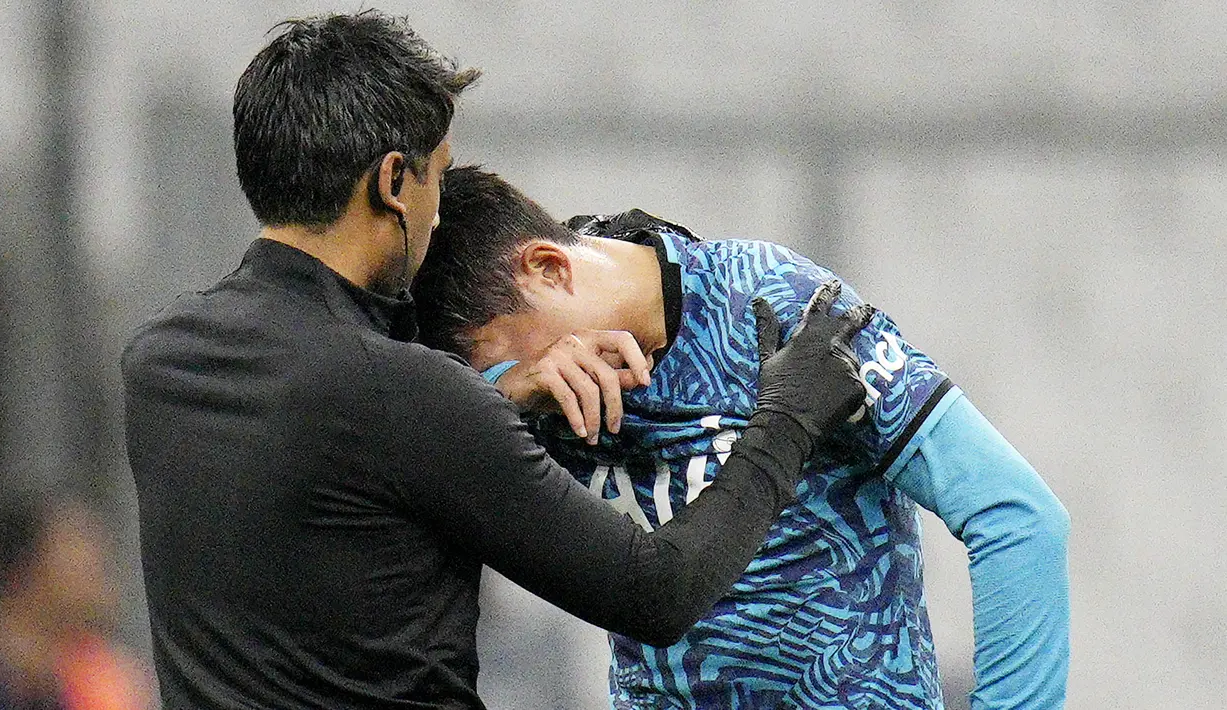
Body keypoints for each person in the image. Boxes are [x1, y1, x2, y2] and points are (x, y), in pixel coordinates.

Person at [120, 11, 875, 709]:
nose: (441, 211)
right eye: (437, 180)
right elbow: (657, 593)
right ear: (391, 183)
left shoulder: (162, 363)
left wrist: (497, 399)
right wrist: (786, 419)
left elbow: (331, 486)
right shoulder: (403, 395)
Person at [411, 166, 1072, 709]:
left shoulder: (770, 306)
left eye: (496, 362)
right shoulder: (510, 405)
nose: (532, 384)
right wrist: (500, 395)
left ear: (549, 269)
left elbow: (1014, 514)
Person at [0, 495, 151, 710]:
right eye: (78, 543)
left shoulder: (97, 672)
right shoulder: (9, 679)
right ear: (27, 568)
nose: (98, 561)